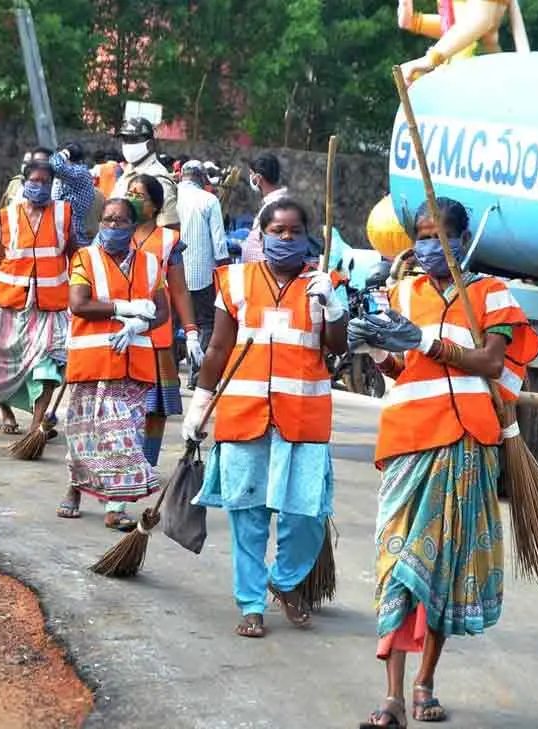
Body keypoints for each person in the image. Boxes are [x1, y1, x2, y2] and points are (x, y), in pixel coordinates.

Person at [359, 198, 538, 726]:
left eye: (439, 236)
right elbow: (398, 366)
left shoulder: (489, 295)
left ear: (462, 239)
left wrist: (427, 342)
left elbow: (489, 360)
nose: (427, 246)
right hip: (407, 443)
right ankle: (391, 695)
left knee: (442, 570)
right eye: (420, 235)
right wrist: (373, 349)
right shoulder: (401, 293)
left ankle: (424, 682)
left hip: (467, 444)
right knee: (395, 565)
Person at [186, 198, 347, 638]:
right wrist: (201, 401)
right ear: (261, 235)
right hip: (245, 415)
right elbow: (219, 348)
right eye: (277, 231)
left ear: (308, 235)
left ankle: (287, 579)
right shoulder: (235, 280)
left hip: (303, 419)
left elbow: (338, 347)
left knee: (307, 516)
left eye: (295, 231)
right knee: (248, 515)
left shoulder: (325, 282)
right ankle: (251, 603)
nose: (286, 238)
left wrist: (332, 306)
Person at [58, 197, 168, 530]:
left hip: (134, 366)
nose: (112, 227)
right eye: (107, 220)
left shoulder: (151, 264)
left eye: (120, 221)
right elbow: (78, 304)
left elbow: (161, 309)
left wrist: (142, 323)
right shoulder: (84, 258)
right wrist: (122, 309)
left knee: (124, 435)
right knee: (85, 434)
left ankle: (115, 505)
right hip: (91, 363)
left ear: (133, 227)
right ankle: (76, 486)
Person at [0, 159, 74, 437]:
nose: (40, 187)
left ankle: (36, 427)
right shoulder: (8, 215)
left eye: (46, 182)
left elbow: (76, 255)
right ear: (24, 182)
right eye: (34, 181)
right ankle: (6, 413)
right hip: (9, 304)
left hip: (49, 306)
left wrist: (83, 293)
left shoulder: (64, 214)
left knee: (48, 364)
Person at [126, 174, 204, 470]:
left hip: (157, 333)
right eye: (130, 192)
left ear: (156, 205)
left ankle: (146, 463)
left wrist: (192, 331)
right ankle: (122, 460)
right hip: (121, 329)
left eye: (140, 195)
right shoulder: (116, 231)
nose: (133, 199)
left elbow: (180, 289)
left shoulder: (168, 241)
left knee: (155, 407)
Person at [176, 159, 230, 384]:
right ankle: (197, 375)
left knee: (171, 323)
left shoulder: (171, 196)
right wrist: (226, 269)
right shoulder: (209, 200)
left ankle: (167, 377)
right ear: (201, 177)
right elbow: (219, 243)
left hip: (171, 272)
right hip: (201, 275)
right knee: (204, 323)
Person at [16, 144, 95, 246]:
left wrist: (65, 152)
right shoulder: (62, 179)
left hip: (75, 237)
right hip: (57, 234)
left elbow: (55, 165)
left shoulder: (80, 173)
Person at [110, 117, 179, 230]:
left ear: (150, 144)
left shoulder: (158, 179)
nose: (127, 145)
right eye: (125, 140)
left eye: (134, 140)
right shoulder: (128, 172)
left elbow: (169, 226)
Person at [239, 153, 290, 264]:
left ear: (258, 179)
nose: (250, 178)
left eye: (251, 174)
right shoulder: (277, 202)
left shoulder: (275, 206)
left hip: (265, 272)